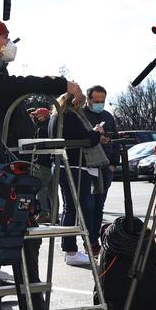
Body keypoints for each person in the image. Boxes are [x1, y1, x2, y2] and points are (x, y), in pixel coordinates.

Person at [0, 18, 82, 310]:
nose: (8, 42)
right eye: (3, 37)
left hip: (6, 163)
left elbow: (4, 100)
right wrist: (60, 84)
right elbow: (7, 90)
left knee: (25, 237)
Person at [51, 93, 107, 266]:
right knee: (75, 208)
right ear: (74, 102)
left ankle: (71, 250)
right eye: (81, 103)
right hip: (74, 167)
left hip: (63, 165)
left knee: (71, 207)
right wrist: (96, 133)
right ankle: (71, 251)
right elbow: (85, 140)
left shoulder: (56, 116)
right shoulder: (69, 116)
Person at [81, 85, 119, 232]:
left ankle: (94, 239)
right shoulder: (81, 114)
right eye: (96, 100)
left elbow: (115, 138)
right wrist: (95, 136)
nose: (99, 104)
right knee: (88, 205)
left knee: (99, 206)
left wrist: (114, 163)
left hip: (106, 166)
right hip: (89, 165)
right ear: (88, 99)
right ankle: (88, 239)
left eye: (102, 100)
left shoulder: (108, 116)